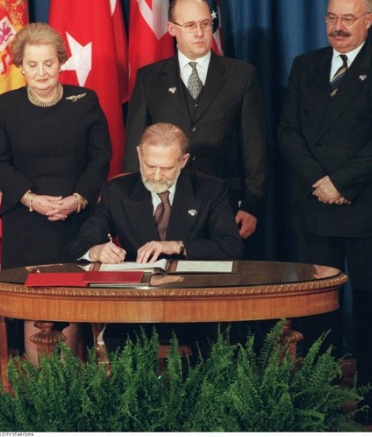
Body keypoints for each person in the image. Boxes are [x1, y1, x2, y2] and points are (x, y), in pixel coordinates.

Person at [278, 0, 372, 425]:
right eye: (331, 18)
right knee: (319, 310)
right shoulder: (305, 65)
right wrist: (319, 182)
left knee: (371, 307)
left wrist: (341, 182)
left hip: (366, 207)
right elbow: (288, 132)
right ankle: (322, 392)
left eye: (348, 19)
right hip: (315, 206)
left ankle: (368, 395)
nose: (337, 27)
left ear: (368, 21)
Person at [0, 22, 111, 362]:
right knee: (36, 302)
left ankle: (68, 379)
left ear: (60, 63)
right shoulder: (7, 106)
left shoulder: (85, 101)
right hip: (26, 219)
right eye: (32, 64)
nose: (41, 72)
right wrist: (32, 200)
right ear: (21, 66)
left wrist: (77, 200)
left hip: (77, 218)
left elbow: (100, 158)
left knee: (70, 298)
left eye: (48, 63)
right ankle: (41, 383)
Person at [69, 122, 243, 353]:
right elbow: (79, 245)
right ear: (139, 154)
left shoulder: (209, 189)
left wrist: (178, 246)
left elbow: (231, 246)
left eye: (167, 168)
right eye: (150, 166)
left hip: (194, 307)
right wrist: (97, 250)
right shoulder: (116, 191)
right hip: (135, 309)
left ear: (183, 161)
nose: (158, 176)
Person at [122, 0, 268, 243]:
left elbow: (254, 146)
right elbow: (136, 146)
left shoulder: (241, 76)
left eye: (205, 24)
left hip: (225, 201)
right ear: (172, 29)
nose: (200, 33)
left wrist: (251, 204)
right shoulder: (149, 78)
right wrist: (134, 202)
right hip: (165, 200)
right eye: (190, 25)